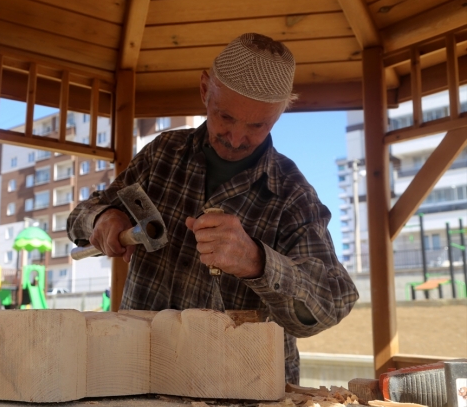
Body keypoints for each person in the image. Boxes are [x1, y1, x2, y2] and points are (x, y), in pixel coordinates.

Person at [67, 33, 359, 385]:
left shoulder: (292, 194)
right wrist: (102, 218)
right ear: (205, 89)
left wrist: (258, 263)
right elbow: (79, 219)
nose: (236, 138)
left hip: (244, 388)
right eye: (225, 116)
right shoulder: (162, 154)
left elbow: (330, 304)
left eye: (257, 125)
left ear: (280, 113)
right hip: (143, 372)